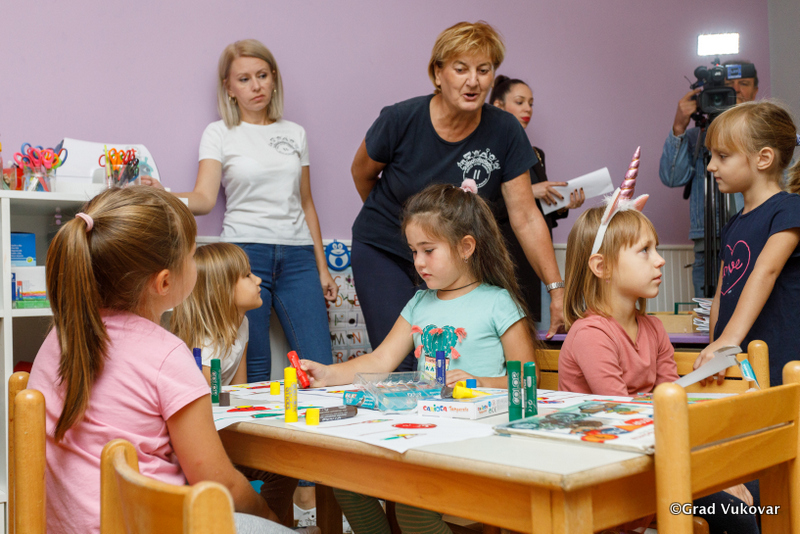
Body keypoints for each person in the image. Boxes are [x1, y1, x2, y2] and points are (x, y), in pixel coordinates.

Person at [27, 187, 295, 534]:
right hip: (144, 524)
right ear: (165, 282)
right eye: (193, 255)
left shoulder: (61, 337)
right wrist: (269, 518)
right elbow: (219, 484)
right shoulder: (166, 355)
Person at [303, 183, 538, 534]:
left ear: (466, 247)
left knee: (413, 512)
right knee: (345, 483)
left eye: (428, 250)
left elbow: (528, 381)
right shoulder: (419, 302)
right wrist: (327, 373)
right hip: (419, 436)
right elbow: (380, 361)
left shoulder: (498, 303)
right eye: (414, 251)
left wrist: (479, 383)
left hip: (475, 443)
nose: (418, 262)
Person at [350, 21, 565, 374]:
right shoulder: (400, 119)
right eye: (461, 69)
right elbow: (362, 173)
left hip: (453, 258)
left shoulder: (505, 130)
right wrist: (406, 229)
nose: (473, 81)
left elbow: (526, 217)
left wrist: (556, 289)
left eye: (484, 70)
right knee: (403, 363)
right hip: (384, 249)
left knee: (449, 361)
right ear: (438, 73)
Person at [559, 177, 758, 533]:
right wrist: (708, 473)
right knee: (736, 513)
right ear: (601, 267)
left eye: (657, 249)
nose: (661, 260)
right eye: (645, 251)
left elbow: (673, 402)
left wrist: (716, 467)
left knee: (753, 493)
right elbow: (625, 417)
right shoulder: (590, 334)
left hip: (655, 461)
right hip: (611, 476)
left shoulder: (653, 328)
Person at [143, 39, 336, 382]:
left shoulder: (295, 133)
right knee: (254, 366)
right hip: (244, 256)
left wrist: (323, 269)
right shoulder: (219, 133)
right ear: (229, 88)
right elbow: (204, 199)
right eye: (244, 79)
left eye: (262, 75)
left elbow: (306, 201)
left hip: (298, 256)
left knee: (320, 362)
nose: (256, 86)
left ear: (274, 78)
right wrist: (166, 196)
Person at [693, 101, 800, 388]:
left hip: (780, 365)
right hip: (739, 363)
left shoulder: (790, 210)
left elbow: (766, 272)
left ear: (763, 158)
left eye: (723, 156)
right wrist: (716, 345)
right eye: (711, 155)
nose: (711, 166)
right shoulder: (733, 224)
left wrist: (728, 339)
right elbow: (721, 296)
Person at [489, 74, 585, 321]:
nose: (528, 109)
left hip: (535, 253)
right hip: (503, 252)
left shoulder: (536, 154)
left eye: (531, 103)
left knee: (535, 325)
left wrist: (563, 204)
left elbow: (537, 211)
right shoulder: (487, 152)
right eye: (520, 102)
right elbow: (484, 208)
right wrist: (528, 192)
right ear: (498, 105)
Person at [659, 60, 758, 297]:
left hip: (754, 239)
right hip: (708, 247)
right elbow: (671, 178)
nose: (736, 90)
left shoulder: (763, 136)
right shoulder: (697, 137)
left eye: (744, 84)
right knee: (708, 316)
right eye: (729, 84)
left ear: (755, 90)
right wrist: (679, 127)